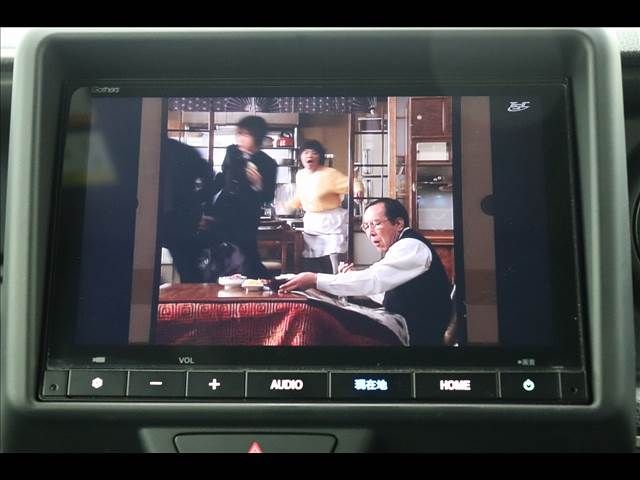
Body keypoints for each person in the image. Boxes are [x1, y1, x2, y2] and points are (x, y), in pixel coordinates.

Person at [279, 198, 452, 345]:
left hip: (419, 335)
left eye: (376, 224)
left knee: (321, 322)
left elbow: (374, 280)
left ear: (399, 224)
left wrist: (315, 279)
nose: (371, 233)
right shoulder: (402, 246)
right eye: (366, 226)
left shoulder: (411, 246)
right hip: (405, 323)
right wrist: (351, 277)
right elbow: (386, 293)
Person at [208, 115, 277, 278]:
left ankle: (259, 284)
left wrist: (258, 184)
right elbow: (224, 179)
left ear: (257, 137)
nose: (240, 138)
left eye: (245, 134)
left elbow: (268, 197)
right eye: (239, 133)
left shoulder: (268, 163)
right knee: (219, 258)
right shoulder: (231, 152)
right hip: (223, 213)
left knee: (247, 258)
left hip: (247, 217)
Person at [288, 140, 349, 274]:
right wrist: (288, 206)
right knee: (313, 260)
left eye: (314, 153)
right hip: (312, 223)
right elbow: (301, 195)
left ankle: (339, 285)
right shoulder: (300, 175)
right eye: (306, 152)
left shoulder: (330, 173)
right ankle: (317, 286)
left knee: (335, 260)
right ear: (300, 156)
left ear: (320, 157)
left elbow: (352, 183)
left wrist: (358, 189)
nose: (309, 156)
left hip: (332, 221)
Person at [159, 138, 216, 282]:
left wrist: (198, 201)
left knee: (187, 266)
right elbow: (209, 177)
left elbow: (208, 177)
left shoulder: (181, 151)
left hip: (177, 218)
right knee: (188, 267)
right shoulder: (186, 151)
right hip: (182, 217)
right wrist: (199, 200)